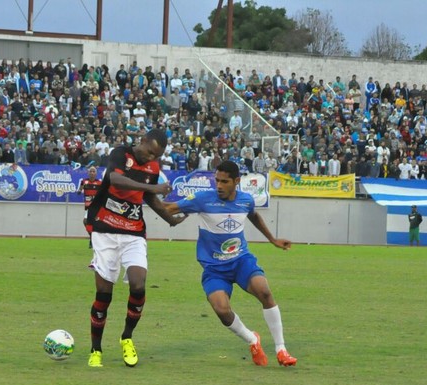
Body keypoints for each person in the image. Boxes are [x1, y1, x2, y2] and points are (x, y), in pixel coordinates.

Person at [164, 161, 298, 367]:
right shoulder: (202, 199)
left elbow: (253, 215)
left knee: (264, 292)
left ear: (236, 181)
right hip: (214, 268)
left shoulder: (246, 200)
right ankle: (253, 340)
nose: (218, 185)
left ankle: (281, 349)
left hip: (241, 260)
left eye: (224, 181)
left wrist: (272, 239)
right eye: (216, 180)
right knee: (221, 309)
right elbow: (169, 208)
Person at [85, 128, 185, 368]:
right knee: (104, 295)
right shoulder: (120, 154)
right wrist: (153, 188)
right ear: (142, 141)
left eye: (156, 156)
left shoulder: (152, 168)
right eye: (150, 152)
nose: (151, 159)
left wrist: (170, 219)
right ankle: (96, 349)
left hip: (133, 232)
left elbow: (149, 199)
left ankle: (127, 338)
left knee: (139, 285)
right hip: (105, 231)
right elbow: (115, 179)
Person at [76, 166, 102, 248]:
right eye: (91, 171)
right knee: (86, 222)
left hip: (97, 207)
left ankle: (96, 239)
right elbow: (79, 190)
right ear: (88, 172)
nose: (92, 173)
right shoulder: (84, 181)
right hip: (88, 206)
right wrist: (79, 191)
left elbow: (103, 193)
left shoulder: (99, 183)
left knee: (97, 223)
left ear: (96, 173)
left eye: (93, 171)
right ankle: (91, 237)